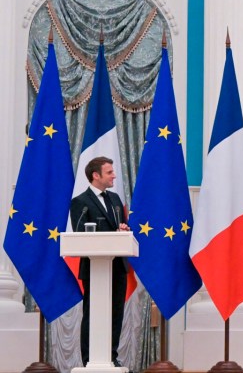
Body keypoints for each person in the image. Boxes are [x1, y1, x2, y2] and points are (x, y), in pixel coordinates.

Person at [69, 156, 130, 368]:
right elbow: (80, 233)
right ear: (96, 175)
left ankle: (111, 357)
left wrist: (122, 230)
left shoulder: (114, 199)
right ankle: (89, 359)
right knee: (92, 313)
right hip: (95, 268)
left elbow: (120, 226)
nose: (114, 176)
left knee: (116, 314)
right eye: (109, 172)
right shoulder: (80, 202)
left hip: (118, 266)